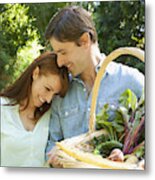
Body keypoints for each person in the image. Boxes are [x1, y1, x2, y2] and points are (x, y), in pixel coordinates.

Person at [44, 6, 144, 167]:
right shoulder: (61, 92)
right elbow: (51, 145)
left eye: (63, 52)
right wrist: (53, 160)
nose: (59, 62)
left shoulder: (132, 81)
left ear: (84, 40)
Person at [0, 51, 69, 167]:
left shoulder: (52, 116)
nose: (48, 99)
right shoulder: (3, 108)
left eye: (54, 94)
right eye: (47, 89)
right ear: (36, 73)